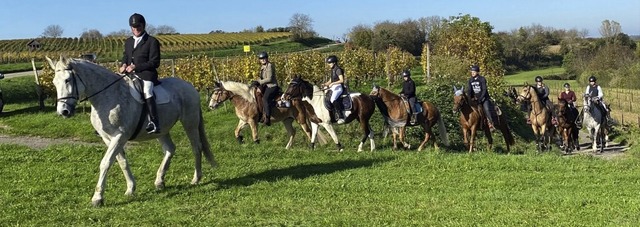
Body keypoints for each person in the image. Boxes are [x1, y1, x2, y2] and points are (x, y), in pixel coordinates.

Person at [119, 13, 161, 134]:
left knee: (147, 90)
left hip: (147, 74)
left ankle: (154, 122)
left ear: (143, 26)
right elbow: (126, 56)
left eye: (138, 26)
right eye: (133, 27)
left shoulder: (152, 41)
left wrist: (136, 67)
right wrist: (123, 65)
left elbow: (155, 62)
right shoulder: (128, 41)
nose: (136, 29)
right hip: (129, 74)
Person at [250, 51, 279, 126]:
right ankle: (260, 114)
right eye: (261, 59)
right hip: (266, 85)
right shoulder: (262, 67)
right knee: (256, 94)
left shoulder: (269, 65)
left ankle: (268, 118)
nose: (263, 60)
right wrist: (256, 82)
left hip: (272, 86)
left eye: (264, 58)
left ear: (267, 58)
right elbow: (262, 77)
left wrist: (259, 82)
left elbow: (269, 79)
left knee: (265, 99)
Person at [467, 65, 497, 131]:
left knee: (486, 109)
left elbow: (484, 90)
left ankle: (491, 124)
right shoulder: (470, 80)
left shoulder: (482, 79)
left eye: (474, 72)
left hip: (484, 98)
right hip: (475, 99)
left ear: (477, 72)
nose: (472, 73)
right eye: (471, 72)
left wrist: (481, 99)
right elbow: (469, 90)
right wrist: (469, 98)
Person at [323, 55, 345, 124]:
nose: (329, 65)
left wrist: (333, 83)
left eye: (330, 63)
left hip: (339, 87)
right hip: (334, 86)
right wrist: (325, 84)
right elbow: (330, 80)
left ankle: (341, 116)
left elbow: (342, 80)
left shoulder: (338, 70)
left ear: (334, 63)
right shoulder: (332, 70)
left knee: (333, 99)